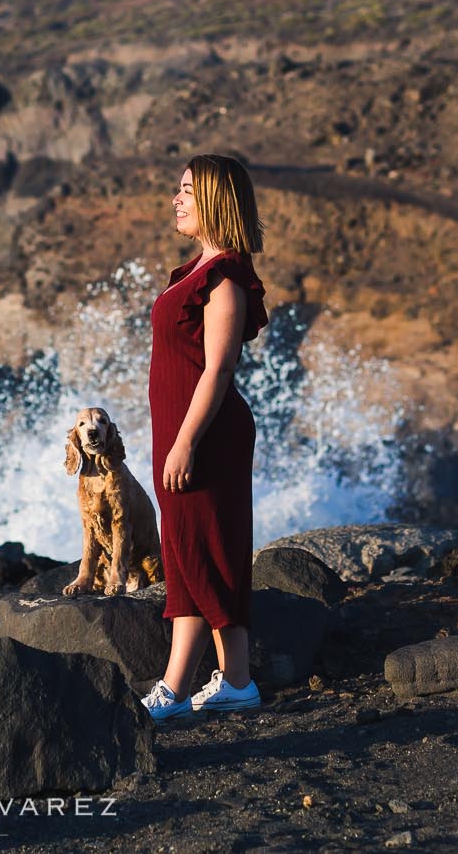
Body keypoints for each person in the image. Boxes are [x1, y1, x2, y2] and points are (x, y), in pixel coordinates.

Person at [140, 152, 269, 721]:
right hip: (182, 433)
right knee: (184, 553)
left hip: (205, 435)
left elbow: (218, 368)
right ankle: (176, 687)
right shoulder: (198, 268)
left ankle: (237, 679)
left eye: (188, 191)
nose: (177, 199)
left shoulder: (226, 277)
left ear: (217, 200)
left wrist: (187, 442)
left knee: (208, 551)